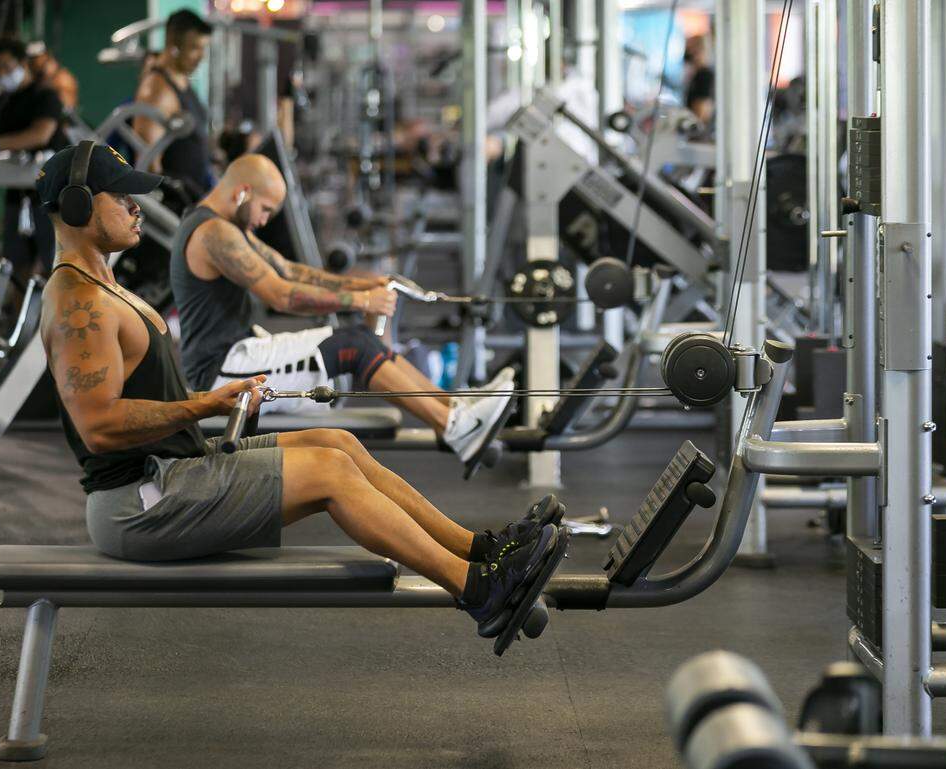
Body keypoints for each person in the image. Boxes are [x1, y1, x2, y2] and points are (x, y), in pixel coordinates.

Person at [34, 142, 569, 643]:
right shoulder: (79, 304)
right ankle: (480, 591)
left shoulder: (102, 286)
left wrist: (360, 287)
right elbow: (98, 426)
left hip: (176, 467)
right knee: (330, 475)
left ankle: (481, 551)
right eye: (121, 196)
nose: (135, 207)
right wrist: (208, 403)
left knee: (340, 445)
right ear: (79, 206)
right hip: (138, 502)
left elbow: (285, 271)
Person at [170, 153, 517, 467]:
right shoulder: (214, 232)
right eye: (265, 209)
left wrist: (364, 285)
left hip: (241, 352)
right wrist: (361, 302)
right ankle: (456, 427)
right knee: (352, 346)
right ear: (243, 191)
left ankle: (455, 409)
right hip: (222, 373)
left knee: (361, 338)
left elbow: (290, 271)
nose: (263, 220)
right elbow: (281, 295)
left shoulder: (227, 226)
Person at [0, 37, 69, 277]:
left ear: (22, 64)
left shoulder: (45, 96)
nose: (3, 74)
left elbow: (41, 134)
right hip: (17, 192)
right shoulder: (1, 103)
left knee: (52, 257)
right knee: (16, 258)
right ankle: (19, 310)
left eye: (7, 67)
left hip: (51, 190)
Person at [133, 9, 213, 200]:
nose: (201, 57)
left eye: (204, 48)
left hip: (196, 194)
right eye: (195, 48)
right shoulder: (157, 91)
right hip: (177, 207)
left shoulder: (181, 79)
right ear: (173, 47)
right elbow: (148, 165)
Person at [27, 41, 80, 111]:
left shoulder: (63, 79)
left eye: (37, 59)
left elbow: (65, 110)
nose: (34, 64)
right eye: (31, 61)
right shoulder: (36, 77)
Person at [683, 35, 714, 125]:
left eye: (691, 49)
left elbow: (702, 113)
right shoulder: (697, 74)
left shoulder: (705, 76)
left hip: (698, 134)